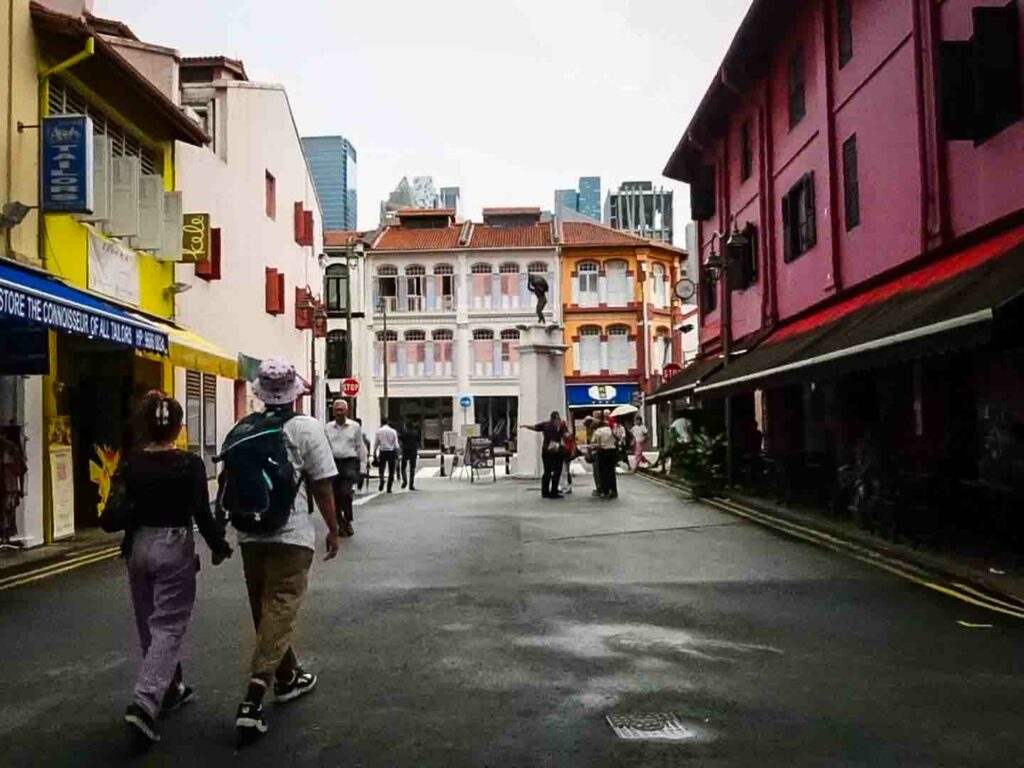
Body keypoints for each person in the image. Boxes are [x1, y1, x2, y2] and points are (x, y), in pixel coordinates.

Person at [227, 360, 340, 743]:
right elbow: (323, 486)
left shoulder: (242, 428)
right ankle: (254, 698)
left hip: (249, 534)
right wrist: (333, 530)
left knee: (266, 610)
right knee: (281, 607)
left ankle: (289, 676)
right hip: (291, 535)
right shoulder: (306, 428)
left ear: (260, 392)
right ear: (295, 393)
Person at [112, 391, 233, 748]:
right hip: (174, 545)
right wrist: (219, 546)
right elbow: (201, 512)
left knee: (148, 622)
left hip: (138, 546)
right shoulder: (189, 464)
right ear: (180, 427)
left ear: (144, 426)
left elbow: (113, 513)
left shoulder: (130, 462)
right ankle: (145, 702)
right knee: (168, 625)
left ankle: (171, 687)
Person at [325, 400, 365, 537]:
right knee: (334, 495)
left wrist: (363, 467)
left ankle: (347, 519)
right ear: (333, 411)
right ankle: (340, 522)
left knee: (346, 493)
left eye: (342, 410)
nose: (339, 412)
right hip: (333, 462)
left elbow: (360, 447)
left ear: (346, 411)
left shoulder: (355, 427)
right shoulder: (327, 428)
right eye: (337, 410)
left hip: (350, 462)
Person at [519, 411, 568, 499]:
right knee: (557, 471)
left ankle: (545, 492)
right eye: (558, 418)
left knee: (547, 472)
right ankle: (554, 492)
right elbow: (567, 435)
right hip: (556, 450)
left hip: (546, 450)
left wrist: (525, 426)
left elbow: (535, 427)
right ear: (556, 418)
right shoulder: (560, 426)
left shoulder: (545, 424)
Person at [592, 414, 619, 499]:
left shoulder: (598, 432)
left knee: (604, 472)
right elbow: (616, 439)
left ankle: (606, 490)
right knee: (611, 471)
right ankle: (614, 490)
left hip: (603, 451)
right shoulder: (610, 429)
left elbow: (596, 444)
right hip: (612, 451)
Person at [373, 418, 400, 493]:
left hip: (383, 451)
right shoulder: (393, 431)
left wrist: (374, 453)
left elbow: (376, 443)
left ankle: (382, 479)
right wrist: (397, 453)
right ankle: (389, 487)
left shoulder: (379, 431)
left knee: (381, 468)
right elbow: (396, 444)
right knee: (391, 470)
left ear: (381, 423)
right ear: (388, 422)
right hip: (391, 451)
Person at [399, 419, 421, 491]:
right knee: (412, 468)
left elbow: (400, 440)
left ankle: (405, 481)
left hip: (405, 451)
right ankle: (411, 484)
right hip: (413, 451)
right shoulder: (415, 433)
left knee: (403, 467)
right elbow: (418, 442)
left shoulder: (404, 434)